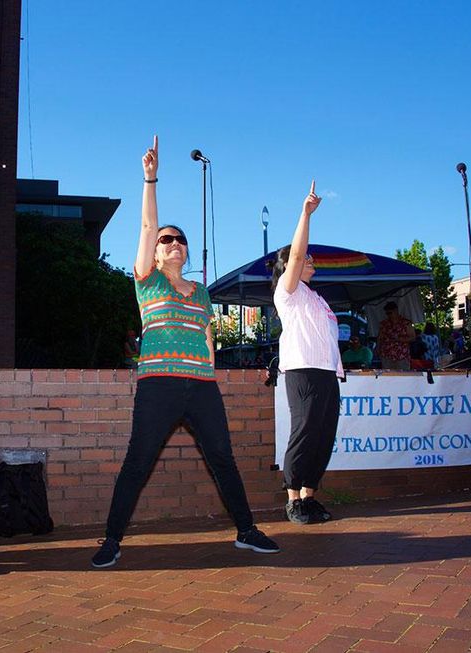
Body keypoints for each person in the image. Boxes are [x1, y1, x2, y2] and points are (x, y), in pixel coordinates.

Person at [91, 136, 279, 568]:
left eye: (180, 240)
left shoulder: (202, 293)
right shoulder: (147, 282)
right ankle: (112, 539)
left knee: (223, 459)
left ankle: (247, 531)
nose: (174, 243)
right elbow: (145, 226)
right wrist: (150, 179)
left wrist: (210, 374)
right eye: (167, 240)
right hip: (158, 384)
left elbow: (210, 337)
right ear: (155, 254)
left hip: (201, 387)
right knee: (138, 461)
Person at [269, 181, 342, 524]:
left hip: (327, 373)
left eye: (311, 260)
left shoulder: (317, 297)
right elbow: (297, 255)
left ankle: (310, 496)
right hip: (302, 370)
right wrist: (305, 213)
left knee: (324, 433)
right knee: (305, 431)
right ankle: (293, 498)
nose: (310, 261)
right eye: (305, 259)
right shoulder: (289, 292)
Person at [376, 301, 415, 370]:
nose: (389, 315)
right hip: (386, 355)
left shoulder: (406, 323)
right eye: (387, 313)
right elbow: (379, 338)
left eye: (390, 313)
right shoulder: (384, 324)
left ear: (396, 311)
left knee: (403, 377)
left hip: (402, 356)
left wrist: (399, 339)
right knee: (388, 378)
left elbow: (412, 337)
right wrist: (378, 349)